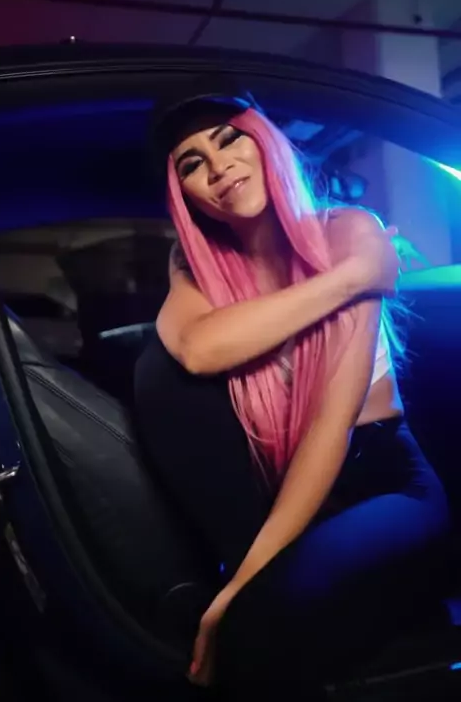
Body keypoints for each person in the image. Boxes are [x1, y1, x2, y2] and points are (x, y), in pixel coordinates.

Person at [135, 90, 452, 695]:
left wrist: (238, 588)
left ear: (265, 141)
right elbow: (198, 349)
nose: (219, 166)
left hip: (384, 480)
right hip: (289, 484)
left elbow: (332, 425)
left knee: (250, 628)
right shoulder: (200, 267)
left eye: (230, 139)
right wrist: (355, 278)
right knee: (157, 369)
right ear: (185, 194)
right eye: (193, 163)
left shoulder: (347, 229)